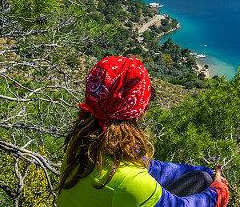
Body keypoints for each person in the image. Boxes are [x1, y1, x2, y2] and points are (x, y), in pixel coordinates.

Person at [56, 56, 229, 207]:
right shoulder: (129, 181)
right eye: (146, 103)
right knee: (205, 183)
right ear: (136, 112)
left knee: (203, 177)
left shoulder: (82, 145)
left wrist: (205, 170)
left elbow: (151, 167)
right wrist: (217, 193)